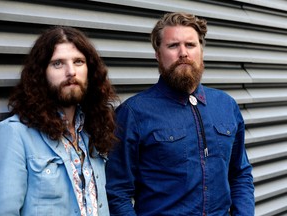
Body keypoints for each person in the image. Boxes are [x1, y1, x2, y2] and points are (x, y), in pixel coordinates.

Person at [106, 12, 255, 215]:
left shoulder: (226, 105)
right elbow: (117, 193)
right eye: (173, 45)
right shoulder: (133, 113)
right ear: (157, 54)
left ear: (201, 51)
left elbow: (240, 174)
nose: (183, 53)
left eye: (190, 45)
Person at [0, 26, 118, 215]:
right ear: (41, 73)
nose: (71, 72)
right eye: (58, 64)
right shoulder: (15, 133)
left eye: (79, 62)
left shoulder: (94, 129)